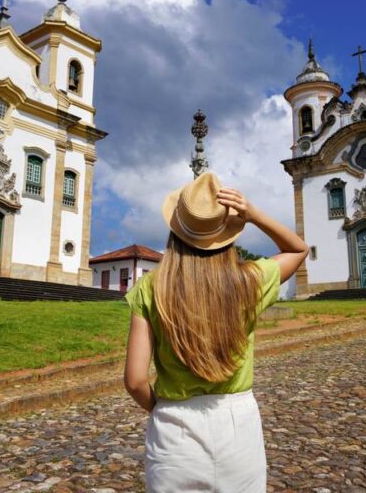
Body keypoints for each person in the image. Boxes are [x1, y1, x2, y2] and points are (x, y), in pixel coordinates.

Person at [123, 171, 308, 492]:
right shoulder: (250, 280)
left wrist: (163, 409)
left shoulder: (151, 288)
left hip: (174, 429)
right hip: (238, 426)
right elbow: (298, 250)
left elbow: (135, 380)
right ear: (226, 232)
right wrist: (253, 214)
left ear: (176, 230)